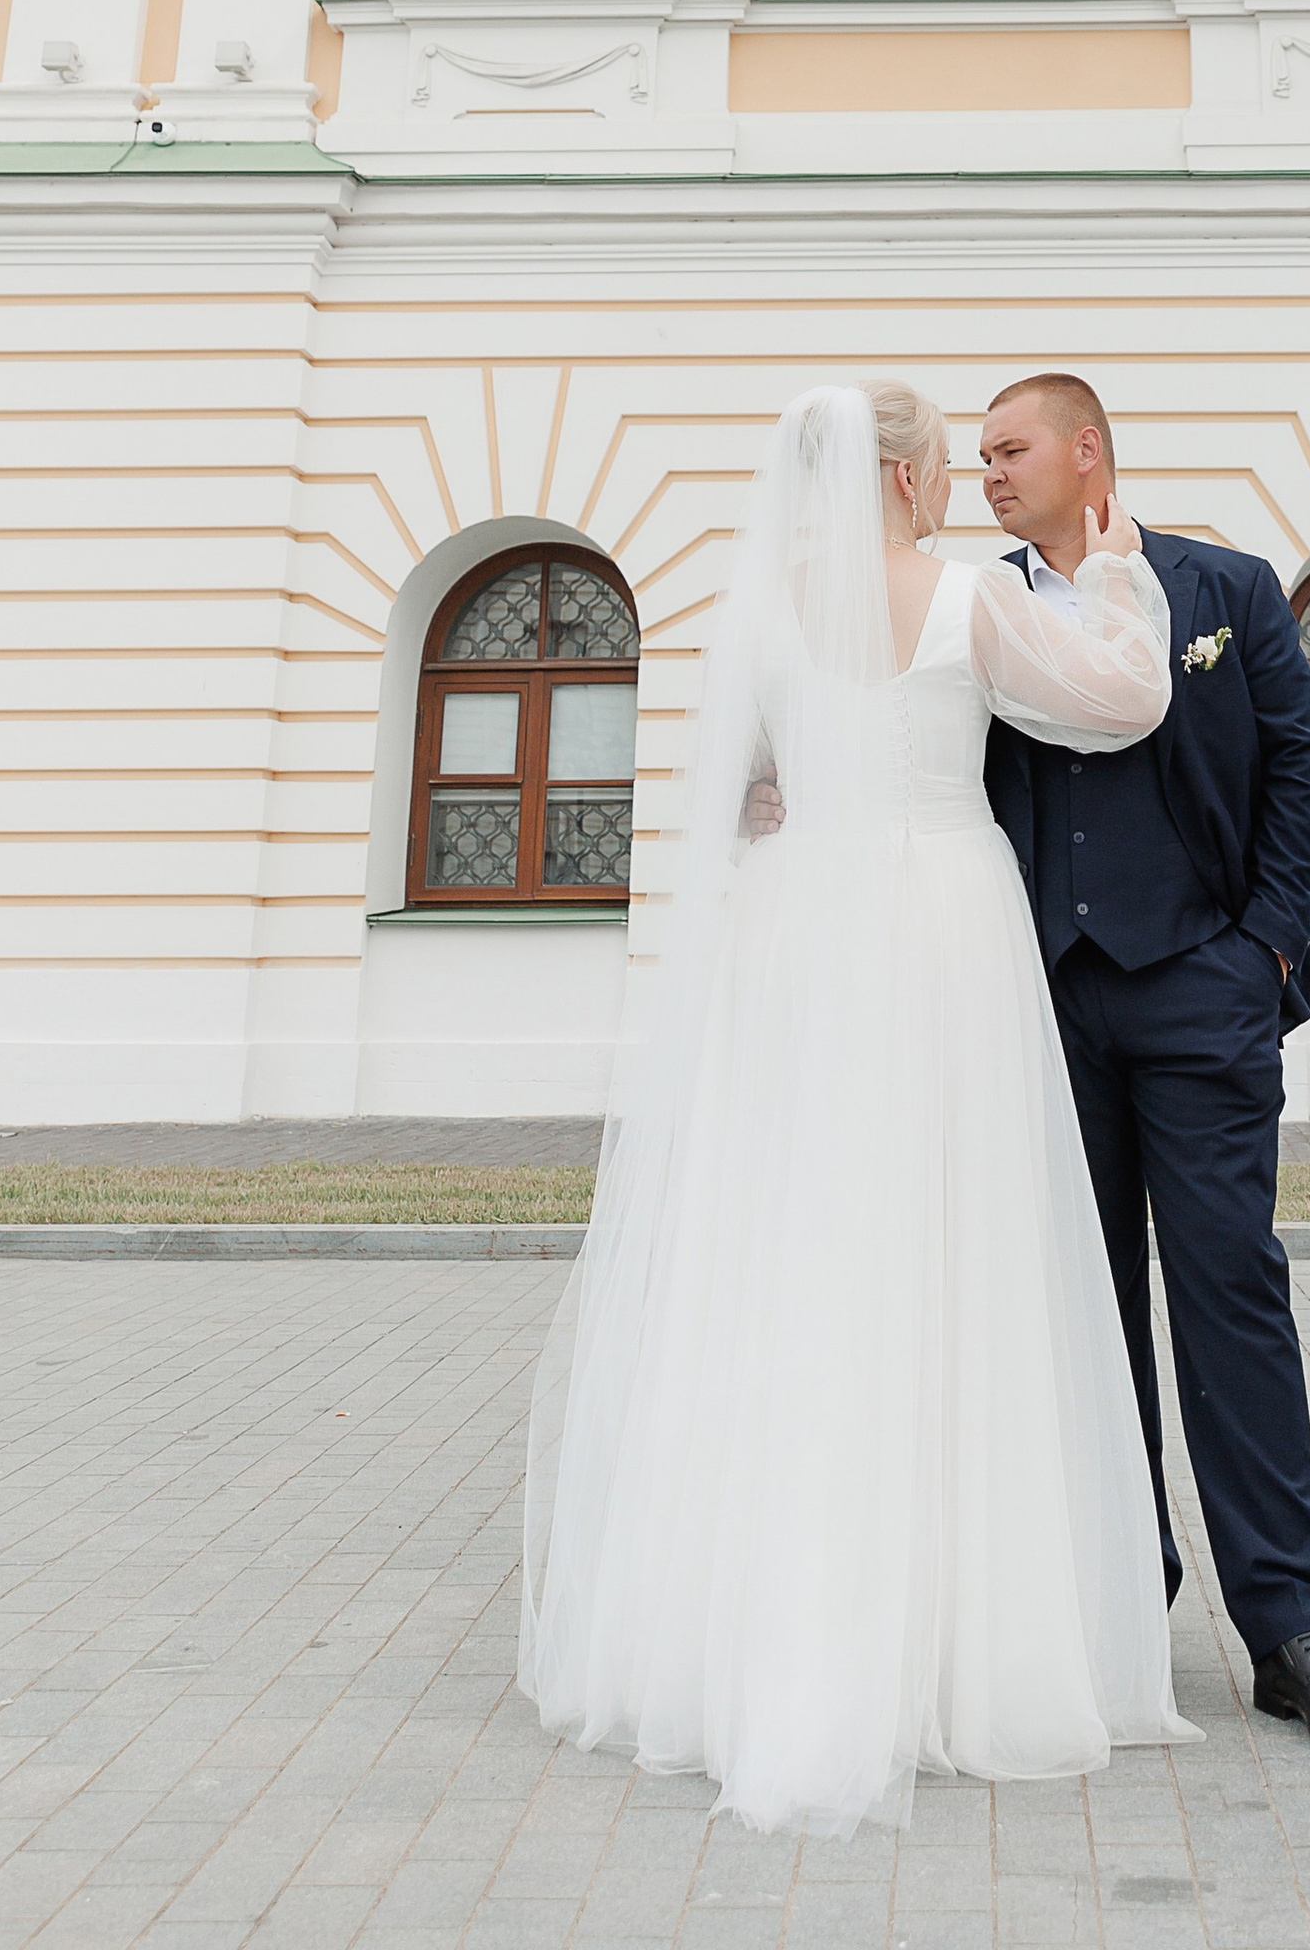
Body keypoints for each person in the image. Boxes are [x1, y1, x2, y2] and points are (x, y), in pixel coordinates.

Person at [520, 382, 1198, 1836]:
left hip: (796, 934)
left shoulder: (754, 616)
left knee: (784, 1254)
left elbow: (736, 796)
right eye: (947, 465)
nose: (958, 487)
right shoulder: (962, 602)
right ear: (898, 478)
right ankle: (957, 1638)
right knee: (947, 1257)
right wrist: (1116, 565)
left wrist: (780, 803)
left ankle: (751, 1630)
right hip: (943, 929)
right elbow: (1126, 697)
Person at [977, 372, 1310, 1762]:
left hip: (1203, 994)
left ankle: (1292, 1627)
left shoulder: (1225, 587)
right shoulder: (970, 607)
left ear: (1086, 451)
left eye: (1010, 448)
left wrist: (1265, 952)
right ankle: (1117, 1602)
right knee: (1083, 1317)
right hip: (1048, 1003)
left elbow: (1303, 769)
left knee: (1230, 1293)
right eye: (977, 455)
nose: (986, 472)